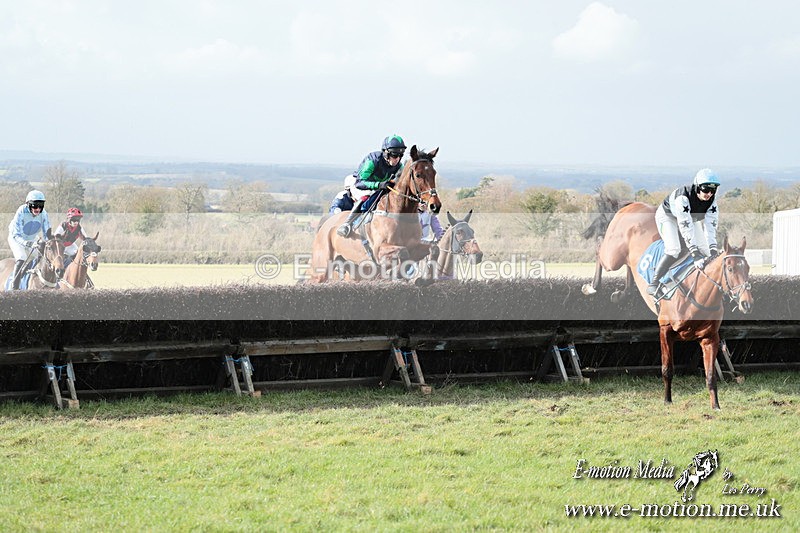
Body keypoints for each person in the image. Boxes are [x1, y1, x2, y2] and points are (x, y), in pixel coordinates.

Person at [646, 168, 721, 296]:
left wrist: (713, 250)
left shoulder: (712, 202)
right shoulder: (683, 199)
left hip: (690, 218)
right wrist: (695, 254)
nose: (709, 193)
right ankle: (654, 283)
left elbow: (710, 228)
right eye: (705, 189)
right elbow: (686, 227)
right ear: (697, 187)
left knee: (707, 251)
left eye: (713, 190)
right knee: (674, 249)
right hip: (668, 216)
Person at [336, 134, 406, 237]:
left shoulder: (399, 166)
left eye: (400, 155)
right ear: (386, 153)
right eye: (395, 155)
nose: (397, 159)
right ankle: (346, 224)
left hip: (379, 187)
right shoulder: (373, 160)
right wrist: (378, 185)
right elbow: (360, 183)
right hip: (360, 185)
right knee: (367, 196)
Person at [7, 190, 52, 290]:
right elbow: (16, 235)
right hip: (16, 239)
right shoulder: (21, 211)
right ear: (28, 204)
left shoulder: (44, 214)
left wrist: (49, 243)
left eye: (40, 205)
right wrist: (29, 244)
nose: (38, 209)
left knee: (41, 256)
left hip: (32, 238)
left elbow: (47, 233)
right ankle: (14, 288)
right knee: (22, 257)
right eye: (35, 205)